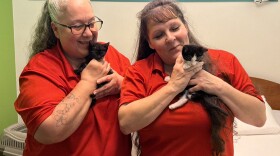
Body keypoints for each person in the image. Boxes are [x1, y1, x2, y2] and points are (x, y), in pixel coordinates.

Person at [118, 0, 266, 155]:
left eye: (175, 28)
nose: (170, 38)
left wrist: (217, 86)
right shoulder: (138, 71)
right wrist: (173, 86)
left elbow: (258, 118)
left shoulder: (225, 61)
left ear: (186, 27)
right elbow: (126, 123)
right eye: (159, 35)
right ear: (150, 43)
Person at [14, 0, 131, 155]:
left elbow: (143, 95)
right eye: (77, 26)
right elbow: (48, 131)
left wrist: (121, 84)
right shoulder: (39, 70)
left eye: (91, 23)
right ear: (56, 29)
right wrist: (88, 82)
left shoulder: (111, 54)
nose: (89, 33)